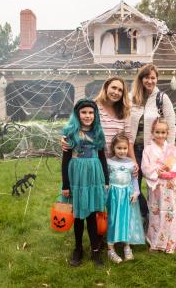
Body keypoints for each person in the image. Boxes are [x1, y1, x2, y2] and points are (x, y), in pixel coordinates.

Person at [61, 99, 109, 267]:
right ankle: (78, 249)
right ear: (77, 114)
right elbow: (65, 160)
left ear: (95, 115)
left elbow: (102, 157)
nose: (87, 116)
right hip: (77, 178)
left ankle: (95, 250)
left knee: (92, 215)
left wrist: (106, 180)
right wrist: (65, 185)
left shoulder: (97, 133)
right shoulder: (70, 133)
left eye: (90, 112)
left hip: (94, 177)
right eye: (84, 112)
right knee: (79, 215)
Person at [130, 64, 176, 224]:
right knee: (132, 184)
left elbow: (171, 125)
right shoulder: (131, 98)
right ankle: (144, 212)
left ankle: (156, 222)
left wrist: (168, 153)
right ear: (141, 79)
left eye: (153, 77)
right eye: (146, 77)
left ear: (156, 79)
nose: (150, 81)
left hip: (154, 151)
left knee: (155, 186)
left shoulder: (161, 98)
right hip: (134, 149)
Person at [141, 117, 176, 253]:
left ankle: (172, 242)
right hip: (157, 186)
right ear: (152, 132)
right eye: (157, 132)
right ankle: (156, 242)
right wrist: (156, 172)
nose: (160, 135)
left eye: (163, 132)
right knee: (156, 212)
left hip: (169, 185)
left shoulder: (173, 149)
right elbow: (145, 167)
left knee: (171, 212)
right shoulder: (148, 149)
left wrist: (170, 171)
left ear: (167, 133)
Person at [106, 132, 145, 263]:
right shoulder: (109, 162)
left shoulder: (131, 163)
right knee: (113, 219)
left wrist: (136, 192)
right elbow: (105, 180)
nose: (122, 151)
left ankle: (127, 246)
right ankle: (110, 249)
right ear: (113, 148)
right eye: (119, 148)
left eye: (125, 148)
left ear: (128, 149)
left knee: (126, 220)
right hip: (113, 196)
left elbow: (135, 179)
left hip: (127, 195)